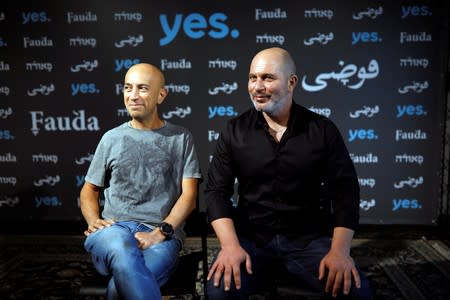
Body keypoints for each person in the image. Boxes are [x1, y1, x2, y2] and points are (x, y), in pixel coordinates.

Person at [204, 47, 372, 299]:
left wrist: (339, 252)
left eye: (268, 78)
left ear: (292, 82)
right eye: (253, 77)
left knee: (357, 294)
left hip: (309, 241)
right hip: (252, 240)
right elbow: (216, 192)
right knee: (218, 293)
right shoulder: (234, 130)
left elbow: (345, 192)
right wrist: (229, 247)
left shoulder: (322, 130)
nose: (257, 86)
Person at [80, 63, 202, 300]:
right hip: (114, 230)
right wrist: (94, 220)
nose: (133, 95)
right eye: (128, 88)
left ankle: (118, 267)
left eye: (142, 88)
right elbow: (89, 189)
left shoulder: (181, 138)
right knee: (119, 244)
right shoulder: (110, 138)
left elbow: (189, 197)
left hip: (160, 237)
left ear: (161, 95)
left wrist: (160, 233)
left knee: (120, 285)